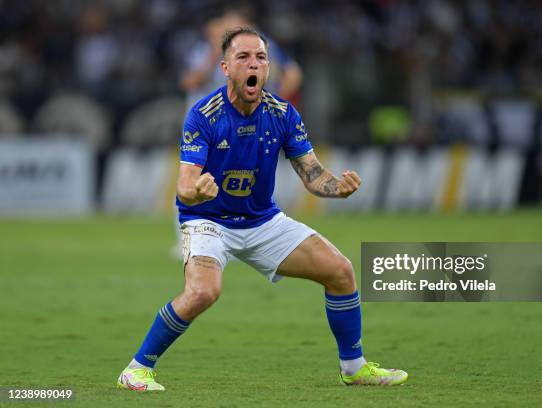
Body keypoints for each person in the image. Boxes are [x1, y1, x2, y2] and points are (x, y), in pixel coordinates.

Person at [117, 27, 408, 391]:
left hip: (262, 221)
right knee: (204, 292)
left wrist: (338, 187)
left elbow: (312, 174)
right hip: (209, 221)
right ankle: (136, 369)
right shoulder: (203, 115)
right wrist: (197, 191)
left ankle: (354, 367)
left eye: (261, 58)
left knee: (341, 271)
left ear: (268, 67)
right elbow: (184, 184)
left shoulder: (283, 114)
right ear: (225, 67)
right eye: (243, 57)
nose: (254, 64)